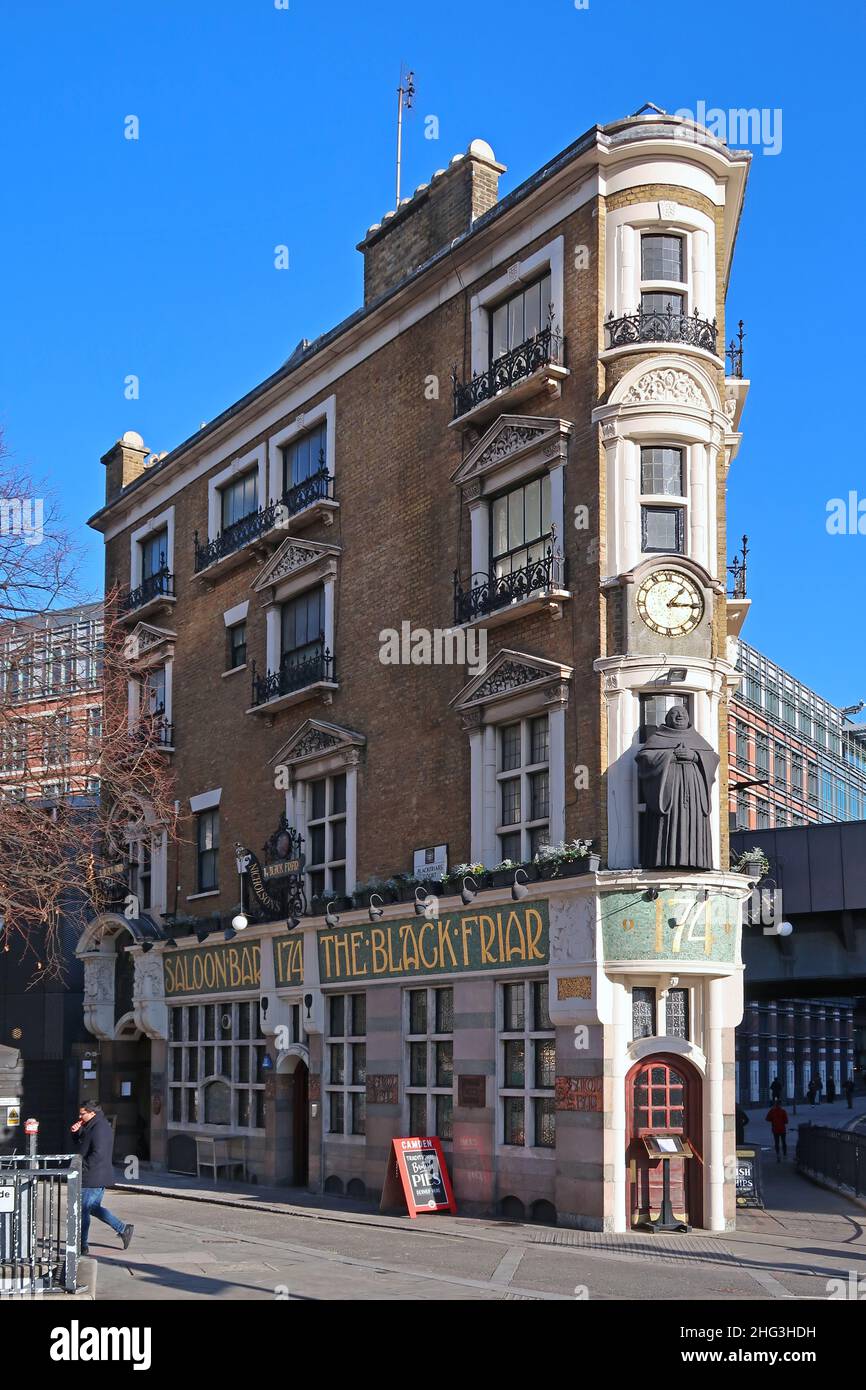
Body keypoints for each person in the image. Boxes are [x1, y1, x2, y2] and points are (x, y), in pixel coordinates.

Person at [636, 707, 719, 869]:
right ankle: (664, 859)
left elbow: (713, 758)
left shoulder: (697, 739)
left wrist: (695, 756)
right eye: (675, 713)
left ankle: (697, 860)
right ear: (667, 719)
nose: (680, 715)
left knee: (693, 821)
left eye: (684, 713)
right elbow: (644, 758)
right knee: (668, 822)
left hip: (694, 793)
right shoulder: (657, 738)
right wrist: (670, 756)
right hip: (668, 794)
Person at [70, 1103, 134, 1255]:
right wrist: (76, 1132)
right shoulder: (92, 1125)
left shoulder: (99, 1128)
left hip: (93, 1176)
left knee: (83, 1210)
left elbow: (98, 1153)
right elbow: (84, 1144)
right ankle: (123, 1229)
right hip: (95, 1175)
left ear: (91, 1113)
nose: (80, 1117)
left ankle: (82, 1245)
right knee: (92, 1208)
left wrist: (82, 1167)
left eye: (82, 1114)